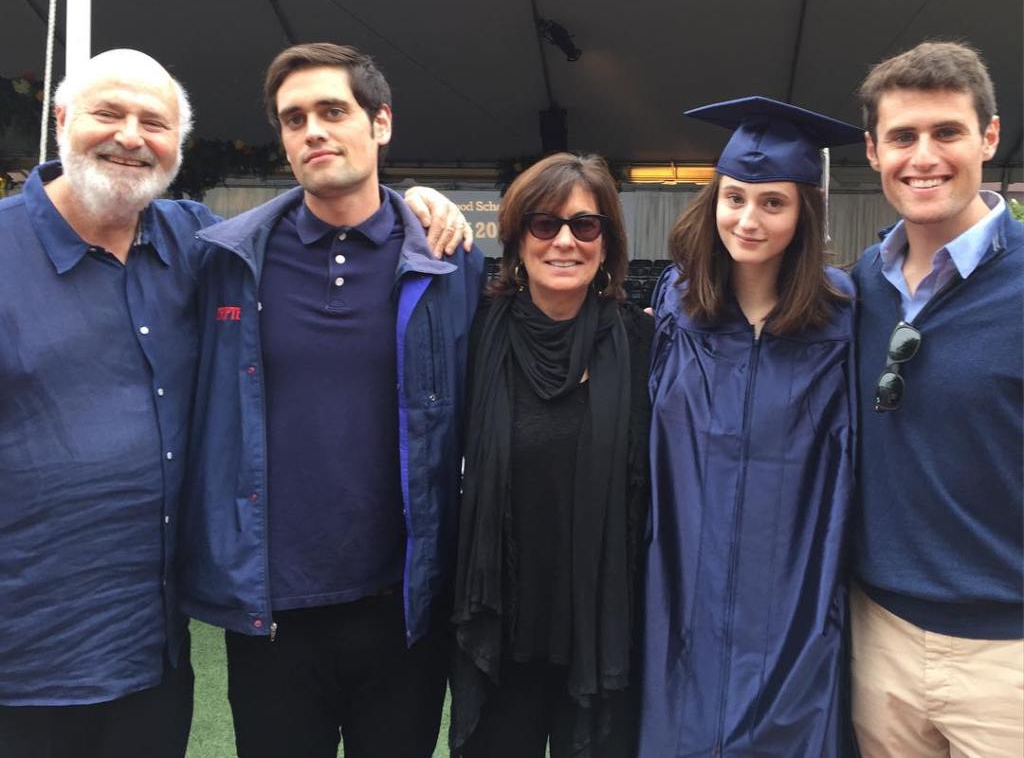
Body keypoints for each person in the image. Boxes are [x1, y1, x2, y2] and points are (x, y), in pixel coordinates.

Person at [179, 42, 483, 758]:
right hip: (272, 612)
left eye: (332, 110)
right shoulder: (224, 259)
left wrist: (428, 205)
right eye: (293, 118)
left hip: (403, 611)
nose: (311, 129)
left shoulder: (449, 258)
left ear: (381, 123)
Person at [0, 49, 214, 758]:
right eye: (108, 112)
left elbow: (316, 220)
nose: (130, 135)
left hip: (153, 660)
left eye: (153, 121)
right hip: (21, 668)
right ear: (61, 120)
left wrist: (411, 205)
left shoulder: (197, 242)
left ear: (176, 145)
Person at [639, 97, 863, 757]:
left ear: (804, 212)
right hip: (683, 587)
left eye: (773, 202)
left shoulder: (843, 317)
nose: (749, 219)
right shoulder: (677, 305)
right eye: (735, 197)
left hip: (798, 591)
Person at [850, 41, 1023, 758]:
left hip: (1006, 656)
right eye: (903, 136)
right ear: (872, 151)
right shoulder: (860, 283)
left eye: (947, 132)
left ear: (989, 136)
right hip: (878, 635)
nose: (924, 156)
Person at [450, 152, 653, 758]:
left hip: (601, 625)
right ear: (516, 238)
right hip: (501, 625)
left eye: (585, 226)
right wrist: (418, 200)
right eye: (544, 225)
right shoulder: (476, 331)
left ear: (606, 242)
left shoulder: (643, 342)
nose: (565, 240)